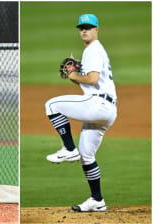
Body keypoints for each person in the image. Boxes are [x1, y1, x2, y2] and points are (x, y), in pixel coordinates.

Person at [45, 14, 117, 212]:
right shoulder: (95, 50)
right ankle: (97, 200)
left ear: (96, 29)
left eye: (89, 27)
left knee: (51, 105)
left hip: (98, 104)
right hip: (107, 109)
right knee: (87, 156)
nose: (84, 30)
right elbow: (90, 84)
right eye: (81, 27)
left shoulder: (93, 49)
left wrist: (74, 74)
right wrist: (74, 77)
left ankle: (68, 149)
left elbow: (92, 79)